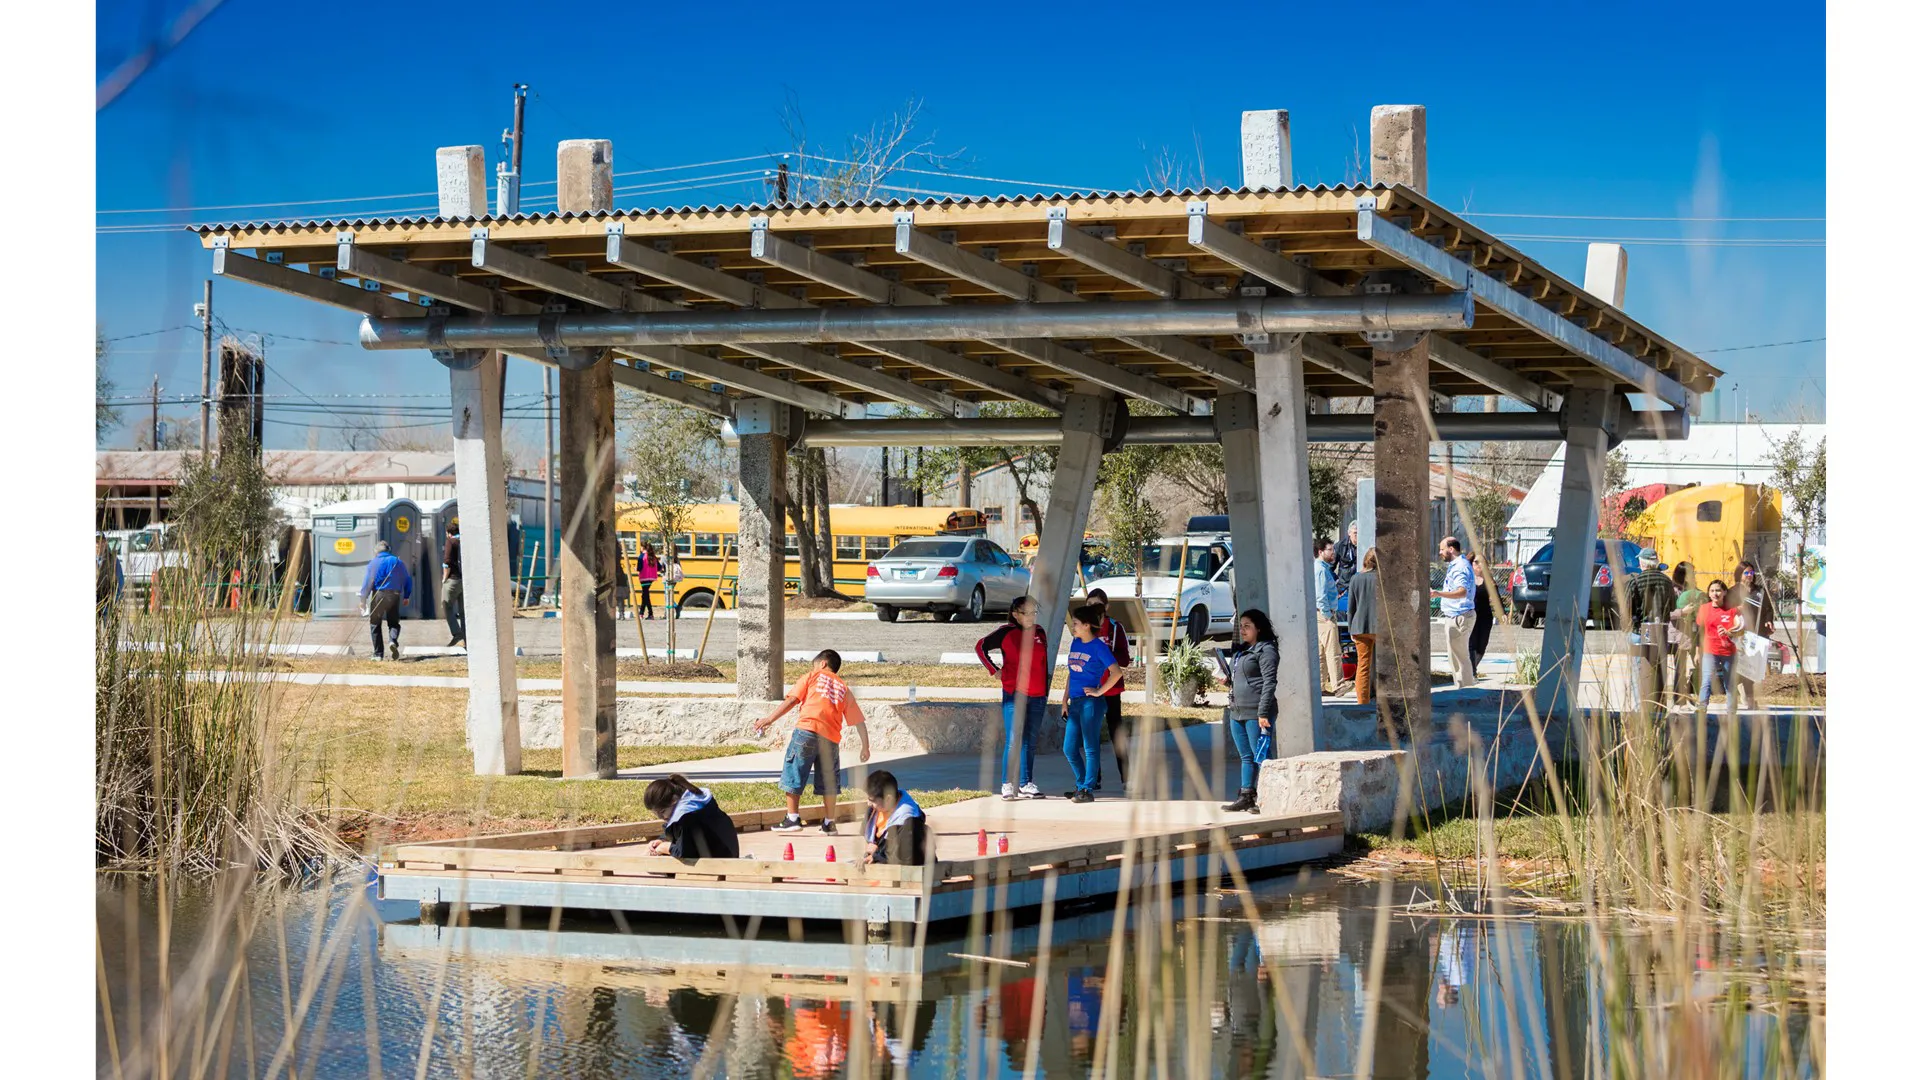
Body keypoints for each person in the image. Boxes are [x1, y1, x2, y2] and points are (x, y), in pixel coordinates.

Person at [754, 649, 872, 832]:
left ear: (823, 663)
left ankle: (792, 818)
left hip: (807, 732)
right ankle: (829, 823)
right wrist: (866, 747)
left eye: (815, 664)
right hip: (831, 739)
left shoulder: (812, 676)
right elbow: (858, 721)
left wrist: (768, 719)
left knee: (794, 770)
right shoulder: (843, 688)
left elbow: (793, 700)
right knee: (829, 781)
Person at [975, 595, 1049, 800]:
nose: (1032, 616)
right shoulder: (1006, 632)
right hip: (1014, 693)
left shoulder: (1040, 632)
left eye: (1035, 612)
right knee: (1014, 738)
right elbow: (980, 647)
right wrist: (994, 670)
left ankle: (1026, 783)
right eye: (1027, 613)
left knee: (1030, 741)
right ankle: (1007, 784)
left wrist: (1044, 691)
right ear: (1016, 614)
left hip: (1037, 694)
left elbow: (1044, 663)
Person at [1060, 605, 1124, 802]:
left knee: (1090, 746)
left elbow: (1117, 672)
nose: (1073, 627)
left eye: (1076, 624)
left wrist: (1099, 691)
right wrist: (1064, 699)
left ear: (1087, 625)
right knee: (1069, 748)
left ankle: (1087, 789)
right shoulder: (1075, 643)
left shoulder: (1098, 647)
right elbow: (1072, 674)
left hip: (1091, 703)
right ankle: (1081, 785)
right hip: (1076, 702)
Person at [1220, 609, 1278, 814]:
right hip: (1237, 711)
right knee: (1245, 756)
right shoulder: (1242, 651)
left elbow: (1269, 683)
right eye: (1241, 626)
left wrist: (1263, 713)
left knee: (1260, 755)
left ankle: (1267, 797)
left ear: (1258, 628)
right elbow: (1241, 679)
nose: (1242, 630)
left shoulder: (1266, 650)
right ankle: (1246, 796)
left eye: (1247, 626)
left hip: (1257, 712)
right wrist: (1227, 680)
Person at [1084, 588, 1135, 788]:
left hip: (1110, 688)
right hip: (1090, 689)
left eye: (1097, 605)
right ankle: (1093, 778)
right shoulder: (1083, 627)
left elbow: (1125, 659)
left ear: (1106, 607)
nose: (1092, 609)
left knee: (1116, 732)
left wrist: (1106, 655)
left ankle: (1127, 778)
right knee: (1091, 734)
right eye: (1088, 605)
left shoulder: (1115, 627)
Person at [641, 773, 739, 859]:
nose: (660, 817)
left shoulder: (687, 816)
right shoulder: (695, 803)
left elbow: (684, 852)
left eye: (662, 811)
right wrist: (661, 840)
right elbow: (682, 836)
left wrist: (664, 847)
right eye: (655, 813)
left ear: (674, 800)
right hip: (726, 855)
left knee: (656, 864)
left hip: (717, 863)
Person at [1628, 548, 1678, 707]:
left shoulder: (1636, 581)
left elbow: (1627, 608)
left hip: (1639, 631)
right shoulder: (1667, 581)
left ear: (1642, 563)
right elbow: (1672, 606)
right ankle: (1659, 707)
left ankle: (1640, 708)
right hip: (1661, 632)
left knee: (1639, 674)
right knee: (1659, 672)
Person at [1730, 559, 1776, 711]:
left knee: (1751, 669)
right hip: (1739, 634)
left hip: (1756, 635)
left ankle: (1749, 698)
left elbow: (1768, 609)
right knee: (1739, 667)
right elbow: (1725, 611)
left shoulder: (1760, 591)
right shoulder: (1732, 591)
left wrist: (1769, 621)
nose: (1750, 575)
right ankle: (1742, 694)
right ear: (1739, 574)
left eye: (1751, 572)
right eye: (1746, 573)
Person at [1432, 537, 1477, 690]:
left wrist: (1439, 594)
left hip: (1460, 616)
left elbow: (1462, 591)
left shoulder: (1460, 567)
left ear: (1451, 549)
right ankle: (1462, 689)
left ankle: (1467, 692)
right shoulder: (1457, 565)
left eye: (1442, 549)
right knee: (1456, 657)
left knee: (1460, 657)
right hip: (1455, 615)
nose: (1440, 552)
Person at [358, 539, 413, 661]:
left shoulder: (373, 563)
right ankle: (393, 640)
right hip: (394, 595)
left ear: (376, 551)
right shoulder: (397, 562)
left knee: (375, 624)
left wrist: (363, 599)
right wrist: (406, 596)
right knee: (393, 622)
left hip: (378, 595)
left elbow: (367, 582)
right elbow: (407, 579)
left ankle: (378, 654)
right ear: (389, 550)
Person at [860, 769, 929, 866]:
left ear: (888, 799)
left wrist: (877, 855)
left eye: (872, 800)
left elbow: (902, 856)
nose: (869, 803)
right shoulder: (874, 810)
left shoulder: (907, 820)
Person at [1694, 580, 1742, 710]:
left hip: (1729, 652)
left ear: (1725, 592)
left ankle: (1731, 711)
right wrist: (1697, 652)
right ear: (1709, 594)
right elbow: (1699, 632)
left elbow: (1741, 629)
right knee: (1707, 680)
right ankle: (1702, 708)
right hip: (1710, 651)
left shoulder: (1732, 610)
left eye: (1718, 590)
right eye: (1712, 591)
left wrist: (1730, 632)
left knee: (1730, 683)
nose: (1715, 593)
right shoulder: (1704, 609)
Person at [1313, 539, 1351, 696]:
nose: (1333, 553)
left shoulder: (1321, 568)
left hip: (1320, 613)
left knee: (1321, 652)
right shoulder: (1321, 570)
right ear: (1321, 552)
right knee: (1333, 650)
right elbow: (1320, 595)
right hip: (1324, 615)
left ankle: (1321, 686)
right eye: (1330, 550)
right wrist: (1328, 615)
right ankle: (1338, 684)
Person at [1347, 548, 1380, 705]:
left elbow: (1351, 607)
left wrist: (1350, 628)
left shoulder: (1355, 578)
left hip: (1359, 626)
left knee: (1363, 666)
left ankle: (1362, 702)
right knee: (1383, 665)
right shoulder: (1383, 579)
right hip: (1380, 627)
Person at [1670, 562, 1701, 707]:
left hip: (1695, 632)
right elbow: (1667, 613)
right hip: (1679, 633)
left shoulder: (1694, 589)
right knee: (1680, 667)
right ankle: (1678, 697)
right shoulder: (1672, 590)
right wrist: (1682, 612)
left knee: (1699, 663)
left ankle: (1691, 691)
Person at [1467, 552, 1495, 680]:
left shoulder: (1489, 580)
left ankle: (1472, 667)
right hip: (1471, 614)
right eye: (1476, 562)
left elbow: (1496, 598)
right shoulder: (1467, 578)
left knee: (1482, 645)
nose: (1479, 565)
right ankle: (1472, 672)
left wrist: (1504, 614)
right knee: (1471, 644)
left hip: (1485, 617)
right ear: (1471, 563)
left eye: (1482, 562)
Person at [441, 521, 465, 647]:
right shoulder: (464, 541)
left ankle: (457, 634)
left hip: (453, 579)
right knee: (463, 611)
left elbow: (447, 562)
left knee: (446, 605)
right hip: (464, 581)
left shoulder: (450, 541)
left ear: (448, 533)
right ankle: (467, 638)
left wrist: (444, 578)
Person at [95, 535, 123, 620]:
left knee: (109, 629)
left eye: (102, 541)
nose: (100, 544)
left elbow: (120, 582)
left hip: (108, 603)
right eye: (97, 542)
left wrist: (114, 600)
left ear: (105, 543)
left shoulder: (113, 560)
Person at [1333, 520, 1360, 592]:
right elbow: (1330, 568)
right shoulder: (1340, 546)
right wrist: (1337, 582)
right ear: (1349, 533)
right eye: (1355, 533)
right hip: (1344, 588)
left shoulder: (1366, 546)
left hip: (1360, 587)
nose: (1357, 535)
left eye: (1359, 533)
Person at [637, 542, 660, 620]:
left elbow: (639, 568)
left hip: (644, 578)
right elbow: (659, 568)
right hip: (651, 579)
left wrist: (635, 569)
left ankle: (649, 614)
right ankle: (642, 613)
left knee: (645, 596)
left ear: (643, 548)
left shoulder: (641, 556)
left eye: (640, 547)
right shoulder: (653, 557)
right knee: (645, 595)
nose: (640, 548)